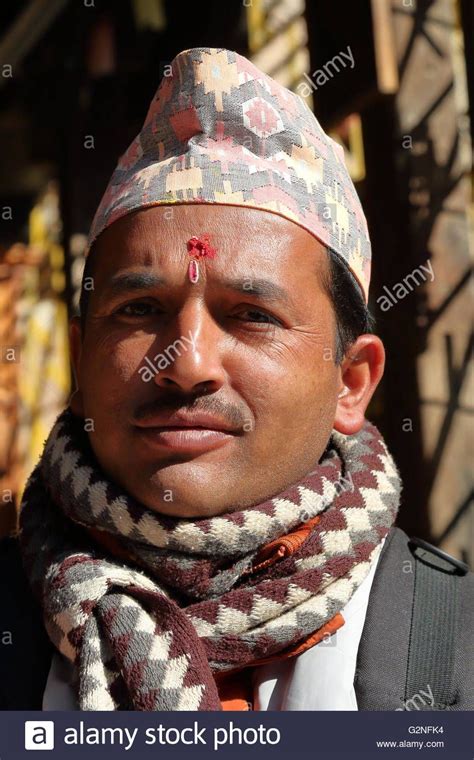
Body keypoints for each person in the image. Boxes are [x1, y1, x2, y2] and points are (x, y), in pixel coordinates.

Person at [0, 47, 472, 712]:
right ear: (81, 363)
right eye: (140, 310)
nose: (187, 365)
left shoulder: (452, 648)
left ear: (352, 381)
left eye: (251, 316)